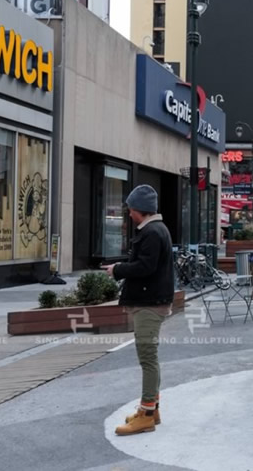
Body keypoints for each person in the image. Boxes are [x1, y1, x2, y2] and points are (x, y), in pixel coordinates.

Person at [103, 185, 174, 436]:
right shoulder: (155, 230)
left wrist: (118, 269)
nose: (129, 214)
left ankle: (145, 414)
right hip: (151, 301)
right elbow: (145, 265)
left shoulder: (152, 232)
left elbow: (145, 267)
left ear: (138, 209)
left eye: (130, 209)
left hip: (149, 303)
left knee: (147, 357)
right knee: (148, 356)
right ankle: (151, 409)